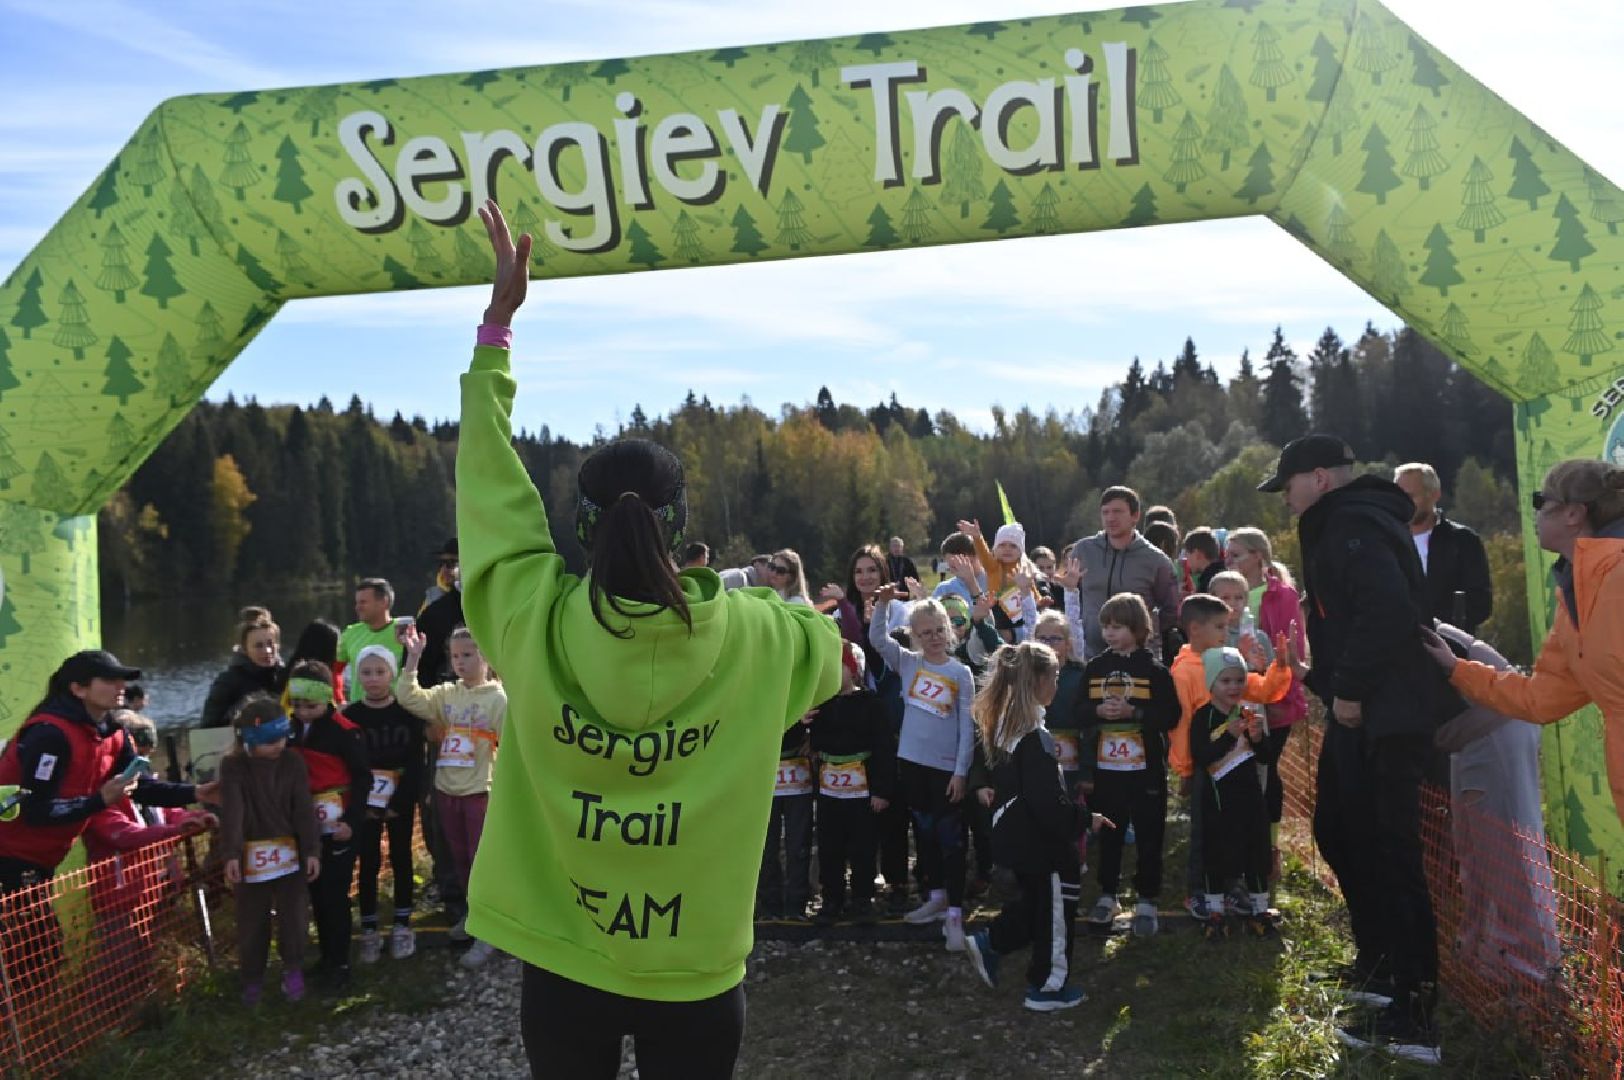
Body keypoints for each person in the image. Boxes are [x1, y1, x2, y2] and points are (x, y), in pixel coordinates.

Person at [457, 201, 841, 1080]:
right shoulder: (759, 633)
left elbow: (489, 493)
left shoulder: (529, 616)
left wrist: (496, 334)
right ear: (680, 525)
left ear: (582, 525)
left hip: (563, 957)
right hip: (696, 966)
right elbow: (830, 654)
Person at [1258, 433, 1456, 1066]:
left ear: (1319, 477)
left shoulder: (1353, 524)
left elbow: (1387, 609)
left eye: (1288, 485)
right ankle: (1379, 969)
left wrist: (1349, 688)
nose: (1285, 498)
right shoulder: (1345, 520)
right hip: (1363, 710)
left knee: (1394, 854)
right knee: (1339, 829)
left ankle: (1416, 1016)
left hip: (1384, 713)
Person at [1422, 459, 1624, 826]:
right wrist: (1457, 669)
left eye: (1540, 501)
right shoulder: (1576, 595)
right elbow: (1540, 699)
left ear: (1574, 513)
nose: (1534, 514)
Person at [0, 650, 215, 992]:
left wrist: (197, 792)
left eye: (122, 679)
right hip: (9, 857)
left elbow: (141, 788)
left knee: (38, 961)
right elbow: (36, 811)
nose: (121, 686)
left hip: (38, 861)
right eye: (110, 680)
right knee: (36, 960)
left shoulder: (113, 733)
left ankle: (33, 1019)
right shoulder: (49, 735)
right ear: (78, 689)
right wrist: (99, 800)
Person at [963, 641, 1094, 1013]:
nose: (1057, 684)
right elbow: (1046, 802)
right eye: (1054, 676)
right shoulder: (1035, 737)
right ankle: (1047, 987)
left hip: (1015, 837)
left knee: (1036, 905)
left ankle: (992, 942)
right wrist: (1083, 820)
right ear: (1037, 681)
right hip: (1042, 845)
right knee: (1055, 914)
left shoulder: (1005, 726)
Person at [1431, 623, 1558, 986]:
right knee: (1475, 855)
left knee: (1510, 855)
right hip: (1469, 732)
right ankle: (1487, 961)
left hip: (1498, 723)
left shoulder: (1397, 622)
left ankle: (1534, 973)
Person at [1167, 595, 1293, 918]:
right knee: (1206, 831)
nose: (1227, 632)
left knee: (1238, 828)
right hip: (1205, 765)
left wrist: (1279, 667)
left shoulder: (1227, 662)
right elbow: (1181, 723)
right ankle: (1200, 891)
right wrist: (1185, 768)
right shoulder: (1184, 672)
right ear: (1195, 629)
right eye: (1220, 626)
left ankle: (1232, 889)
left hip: (1238, 768)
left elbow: (1262, 689)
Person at [869, 588, 976, 950]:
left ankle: (955, 912)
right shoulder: (908, 663)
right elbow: (877, 639)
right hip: (912, 764)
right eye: (925, 633)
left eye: (938, 630)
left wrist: (961, 772)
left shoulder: (960, 673)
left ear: (949, 630)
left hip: (946, 771)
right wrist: (883, 603)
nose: (933, 638)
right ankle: (936, 895)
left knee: (951, 840)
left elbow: (966, 728)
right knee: (925, 835)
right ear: (915, 635)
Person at [397, 625, 508, 967]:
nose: (460, 662)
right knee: (459, 860)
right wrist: (413, 658)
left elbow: (512, 751)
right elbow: (408, 697)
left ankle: (492, 931)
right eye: (455, 656)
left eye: (468, 655)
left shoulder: (498, 700)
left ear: (485, 656)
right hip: (447, 791)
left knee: (482, 863)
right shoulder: (447, 695)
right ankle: (474, 917)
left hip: (480, 793)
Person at [1079, 594, 1179, 938]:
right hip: (1107, 770)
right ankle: (1108, 894)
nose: (1110, 633)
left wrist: (1134, 713)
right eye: (1106, 626)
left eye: (1118, 627)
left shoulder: (1155, 671)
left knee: (1150, 833)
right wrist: (1097, 712)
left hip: (1146, 769)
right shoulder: (1095, 668)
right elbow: (1078, 710)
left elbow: (1171, 715)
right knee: (1110, 832)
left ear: (1137, 629)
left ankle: (1147, 899)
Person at [218, 697, 321, 1005]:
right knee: (251, 920)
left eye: (282, 738)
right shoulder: (233, 766)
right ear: (249, 740)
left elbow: (304, 809)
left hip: (291, 854)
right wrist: (231, 854)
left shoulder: (293, 762)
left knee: (294, 916)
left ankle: (293, 969)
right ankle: (252, 979)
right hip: (250, 855)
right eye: (269, 741)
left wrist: (311, 850)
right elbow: (233, 812)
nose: (278, 746)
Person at [1223, 527, 1310, 881]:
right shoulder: (1224, 590)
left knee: (1267, 771)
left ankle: (1268, 848)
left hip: (1274, 699)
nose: (1229, 561)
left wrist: (1280, 696)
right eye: (1227, 555)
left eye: (1236, 555)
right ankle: (1237, 847)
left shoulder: (1281, 594)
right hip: (1235, 698)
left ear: (1258, 556)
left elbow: (1292, 649)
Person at [286, 660, 370, 992]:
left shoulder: (345, 731)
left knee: (335, 893)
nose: (303, 712)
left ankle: (341, 963)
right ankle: (326, 957)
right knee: (317, 892)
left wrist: (352, 821)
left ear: (326, 699)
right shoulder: (289, 729)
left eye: (311, 706)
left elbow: (363, 779)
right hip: (306, 825)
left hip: (339, 824)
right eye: (297, 705)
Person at [341, 646, 426, 964]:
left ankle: (403, 923)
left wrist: (401, 801)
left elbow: (416, 761)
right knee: (368, 862)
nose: (373, 679)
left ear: (391, 674)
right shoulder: (350, 717)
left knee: (402, 857)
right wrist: (360, 803)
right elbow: (347, 766)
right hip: (365, 802)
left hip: (399, 799)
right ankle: (369, 927)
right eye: (366, 673)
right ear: (357, 676)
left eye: (380, 672)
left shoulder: (407, 714)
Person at [1188, 647, 1277, 940]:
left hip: (1250, 800)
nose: (1234, 687)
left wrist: (1259, 738)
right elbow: (1202, 756)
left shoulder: (1249, 712)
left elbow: (1266, 757)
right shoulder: (1203, 717)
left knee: (1256, 854)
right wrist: (1229, 736)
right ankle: (1215, 913)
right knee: (1216, 855)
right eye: (1225, 681)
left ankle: (1260, 910)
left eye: (1239, 680)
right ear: (1211, 683)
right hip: (1217, 801)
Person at [809, 643, 893, 925]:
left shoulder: (872, 705)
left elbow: (883, 748)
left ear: (853, 669)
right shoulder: (821, 704)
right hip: (829, 790)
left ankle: (862, 898)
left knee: (863, 846)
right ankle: (831, 898)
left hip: (862, 788)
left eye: (839, 665)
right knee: (829, 845)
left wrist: (881, 790)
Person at [1068, 486, 1181, 661]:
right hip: (1089, 655)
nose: (1110, 518)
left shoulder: (1155, 560)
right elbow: (1072, 595)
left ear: (1135, 516)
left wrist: (1143, 633)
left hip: (1136, 659)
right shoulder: (1083, 551)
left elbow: (1170, 609)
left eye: (1117, 512)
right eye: (1105, 512)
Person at [1395, 463, 1493, 635]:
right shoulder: (1385, 542)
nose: (1402, 503)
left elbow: (1480, 603)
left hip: (1450, 644)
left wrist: (1439, 628)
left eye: (1410, 496)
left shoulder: (1462, 541)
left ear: (1434, 495)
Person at [760, 711, 815, 923]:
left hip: (796, 766)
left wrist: (815, 738)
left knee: (799, 843)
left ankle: (796, 905)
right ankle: (768, 905)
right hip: (765, 766)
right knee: (765, 844)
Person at [200, 611, 285, 729]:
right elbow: (207, 728)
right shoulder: (227, 682)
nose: (267, 651)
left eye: (270, 644)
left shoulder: (286, 676)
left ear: (278, 645)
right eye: (259, 646)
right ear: (245, 650)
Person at [336, 578, 405, 699]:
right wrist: (339, 699)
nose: (357, 607)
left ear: (383, 602)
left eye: (363, 602)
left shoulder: (404, 631)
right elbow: (335, 670)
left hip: (395, 708)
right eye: (357, 603)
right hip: (358, 709)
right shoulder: (350, 633)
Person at [1181, 527, 1224, 595]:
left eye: (1187, 554)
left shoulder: (1209, 582)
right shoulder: (1222, 573)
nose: (1186, 559)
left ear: (1197, 554)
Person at [422, 538, 460, 611]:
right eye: (442, 563)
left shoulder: (476, 594)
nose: (444, 569)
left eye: (451, 563)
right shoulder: (433, 597)